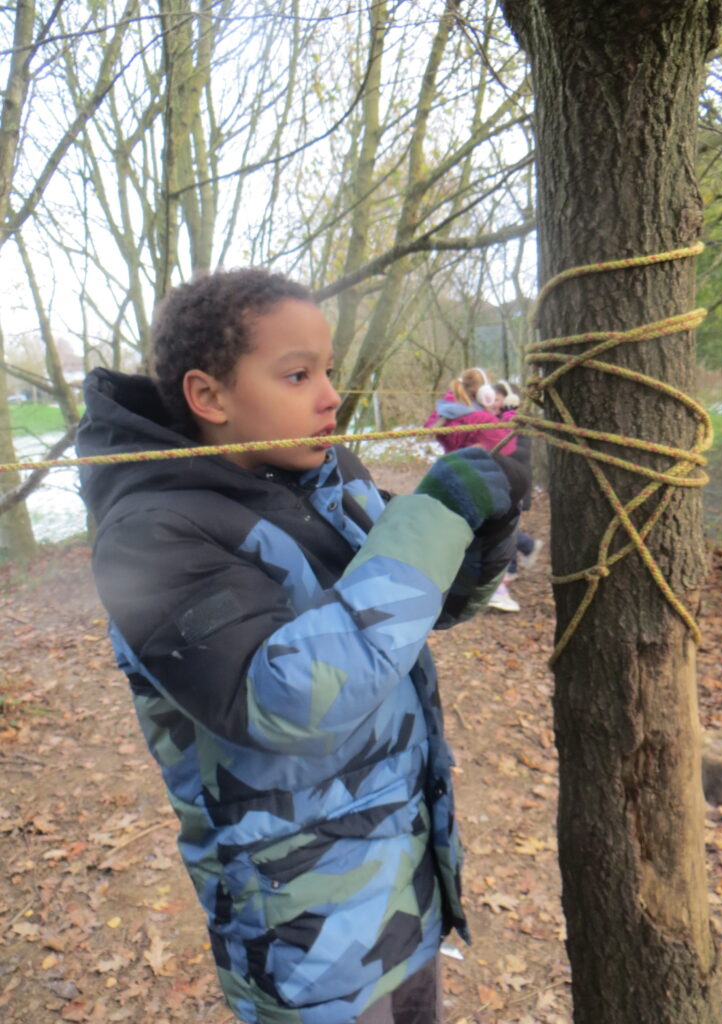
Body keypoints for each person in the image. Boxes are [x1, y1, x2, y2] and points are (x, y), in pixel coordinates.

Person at [75, 268, 527, 1024]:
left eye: (328, 370)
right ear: (208, 396)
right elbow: (289, 702)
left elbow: (413, 603)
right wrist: (435, 517)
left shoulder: (323, 472)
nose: (329, 397)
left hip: (402, 876)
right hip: (302, 932)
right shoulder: (151, 535)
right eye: (297, 374)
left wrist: (482, 533)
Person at [424, 368, 520, 612]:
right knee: (488, 538)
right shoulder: (481, 419)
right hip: (477, 484)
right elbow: (508, 443)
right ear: (484, 393)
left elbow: (430, 424)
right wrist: (509, 414)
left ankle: (444, 586)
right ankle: (495, 591)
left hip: (451, 477)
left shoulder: (445, 412)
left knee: (456, 538)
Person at [493, 380, 544, 582]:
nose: (494, 403)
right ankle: (521, 555)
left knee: (506, 526)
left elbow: (521, 451)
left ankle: (522, 554)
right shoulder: (496, 421)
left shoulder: (518, 422)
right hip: (503, 481)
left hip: (515, 482)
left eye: (498, 399)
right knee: (504, 524)